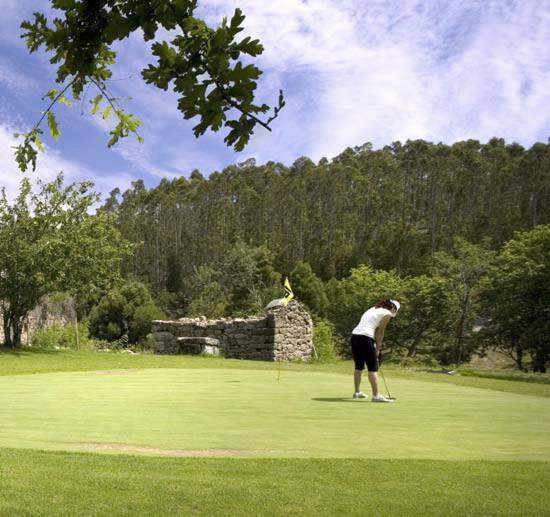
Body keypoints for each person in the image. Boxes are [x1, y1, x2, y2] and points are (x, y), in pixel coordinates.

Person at [350, 299, 400, 402]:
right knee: (373, 367)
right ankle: (376, 395)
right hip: (366, 337)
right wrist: (377, 348)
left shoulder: (373, 309)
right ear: (393, 308)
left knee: (359, 366)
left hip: (355, 336)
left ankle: (357, 392)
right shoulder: (387, 313)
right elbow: (380, 332)